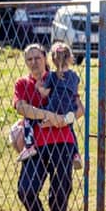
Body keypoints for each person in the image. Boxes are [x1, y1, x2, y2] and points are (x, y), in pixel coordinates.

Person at [12, 43, 83, 211]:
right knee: (26, 189)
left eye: (37, 58)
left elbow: (79, 109)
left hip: (62, 141)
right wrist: (47, 116)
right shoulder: (23, 83)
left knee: (59, 193)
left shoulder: (60, 78)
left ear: (46, 58)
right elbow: (21, 107)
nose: (34, 62)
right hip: (35, 145)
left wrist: (62, 119)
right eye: (29, 59)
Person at [26, 41, 83, 171]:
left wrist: (39, 87)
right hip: (69, 107)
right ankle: (76, 154)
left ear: (52, 59)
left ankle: (29, 145)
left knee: (31, 119)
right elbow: (75, 93)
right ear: (70, 58)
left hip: (54, 107)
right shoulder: (74, 76)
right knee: (70, 127)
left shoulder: (52, 75)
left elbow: (45, 94)